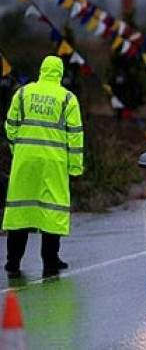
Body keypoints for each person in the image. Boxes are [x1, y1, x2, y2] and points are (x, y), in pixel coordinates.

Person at [3, 55, 84, 278]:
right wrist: (75, 168)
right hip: (54, 163)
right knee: (52, 210)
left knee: (21, 211)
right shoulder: (67, 99)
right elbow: (75, 137)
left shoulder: (22, 93)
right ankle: (50, 262)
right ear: (59, 73)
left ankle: (12, 263)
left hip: (25, 161)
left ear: (41, 70)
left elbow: (10, 126)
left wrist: (17, 149)